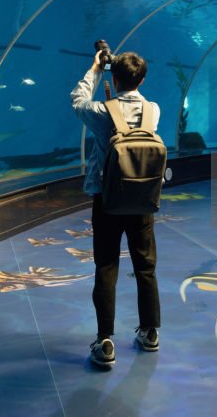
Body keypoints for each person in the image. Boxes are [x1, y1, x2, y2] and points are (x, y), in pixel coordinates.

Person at [70, 50, 161, 368]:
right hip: (142, 200)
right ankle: (150, 332)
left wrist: (94, 70)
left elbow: (77, 101)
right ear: (143, 79)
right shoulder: (154, 110)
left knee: (106, 267)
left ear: (114, 78)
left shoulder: (101, 111)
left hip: (107, 200)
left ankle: (105, 340)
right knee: (145, 267)